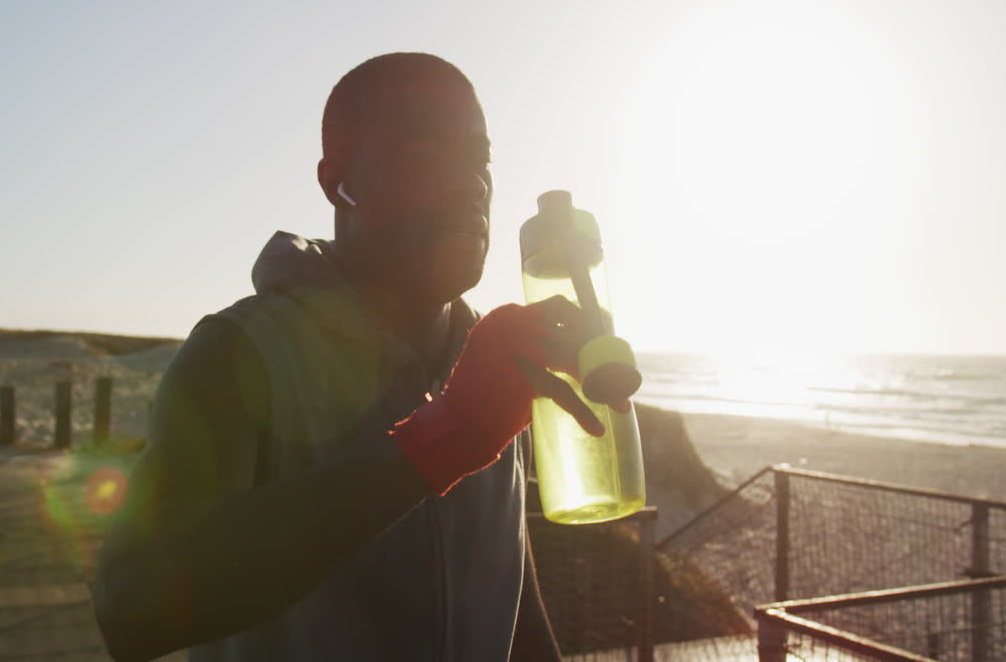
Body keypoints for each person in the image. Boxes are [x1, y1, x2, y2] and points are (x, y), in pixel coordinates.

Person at [93, 52, 626, 661]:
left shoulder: (491, 359)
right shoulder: (242, 351)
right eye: (428, 154)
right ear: (337, 180)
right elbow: (130, 605)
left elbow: (508, 586)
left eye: (479, 160)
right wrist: (442, 439)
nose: (471, 182)